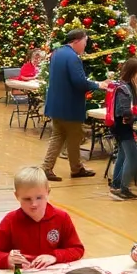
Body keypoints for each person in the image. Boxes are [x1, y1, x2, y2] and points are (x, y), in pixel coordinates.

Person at [0, 165, 85, 269]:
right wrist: (7, 260)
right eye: (27, 199)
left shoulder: (61, 218)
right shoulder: (10, 220)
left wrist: (54, 256)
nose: (34, 204)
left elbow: (77, 249)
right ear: (17, 196)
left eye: (39, 198)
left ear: (48, 192)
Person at [43, 29, 109, 182]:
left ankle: (48, 167)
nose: (85, 46)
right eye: (85, 42)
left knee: (58, 135)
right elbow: (79, 82)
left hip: (55, 104)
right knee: (74, 137)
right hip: (70, 106)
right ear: (77, 41)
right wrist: (98, 85)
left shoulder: (57, 53)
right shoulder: (73, 57)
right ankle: (75, 168)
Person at [108, 58, 137, 199]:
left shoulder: (123, 86)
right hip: (122, 127)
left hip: (118, 126)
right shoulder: (124, 88)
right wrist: (136, 116)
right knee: (133, 156)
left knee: (123, 155)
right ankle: (123, 188)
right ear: (134, 72)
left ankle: (116, 185)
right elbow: (124, 111)